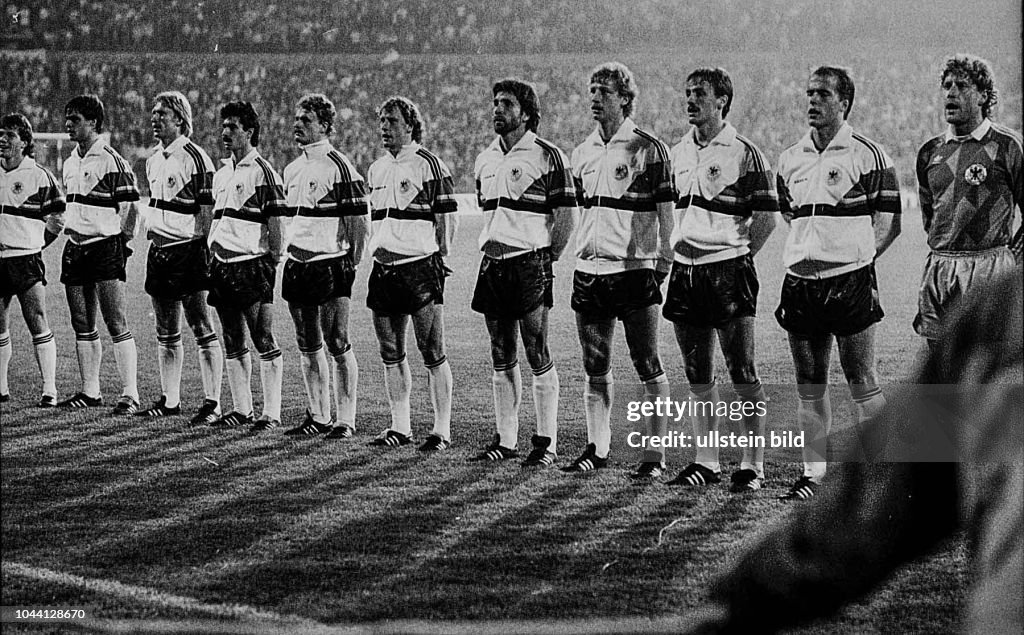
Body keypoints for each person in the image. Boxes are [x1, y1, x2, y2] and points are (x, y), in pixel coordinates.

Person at [698, 266, 1023, 635]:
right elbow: (878, 489)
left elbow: (871, 497)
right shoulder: (998, 315)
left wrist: (738, 603)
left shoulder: (1002, 317)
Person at [773, 66, 901, 500]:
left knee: (861, 378)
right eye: (809, 93)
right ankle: (814, 474)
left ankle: (883, 473)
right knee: (809, 380)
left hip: (850, 281)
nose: (813, 101)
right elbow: (788, 214)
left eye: (822, 94)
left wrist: (859, 261)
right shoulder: (790, 157)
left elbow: (891, 222)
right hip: (800, 282)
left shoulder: (869, 154)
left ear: (844, 102)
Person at [662, 67, 778, 492]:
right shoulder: (676, 152)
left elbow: (767, 217)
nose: (691, 100)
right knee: (697, 371)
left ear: (722, 101)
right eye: (687, 93)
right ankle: (705, 461)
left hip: (728, 271)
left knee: (741, 368)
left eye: (700, 94)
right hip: (685, 271)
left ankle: (753, 465)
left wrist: (736, 254)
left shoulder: (745, 152)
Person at [562, 62, 674, 478]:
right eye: (591, 90)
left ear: (625, 98)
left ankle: (654, 455)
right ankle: (598, 447)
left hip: (634, 271)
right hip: (589, 271)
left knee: (647, 362)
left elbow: (667, 217)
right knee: (595, 363)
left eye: (603, 91)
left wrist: (660, 265)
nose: (595, 98)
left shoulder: (648, 148)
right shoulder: (582, 152)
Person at [470, 78, 578, 466]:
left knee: (536, 348)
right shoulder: (485, 158)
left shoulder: (548, 155)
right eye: (495, 102)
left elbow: (566, 217)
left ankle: (545, 443)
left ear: (526, 113)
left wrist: (548, 259)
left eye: (506, 104)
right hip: (493, 264)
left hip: (529, 263)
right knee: (501, 352)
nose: (497, 109)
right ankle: (507, 439)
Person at [365, 96, 458, 451]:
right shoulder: (376, 168)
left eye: (390, 121)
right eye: (381, 121)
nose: (383, 127)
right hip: (384, 269)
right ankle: (400, 427)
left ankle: (441, 430)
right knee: (390, 349)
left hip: (420, 268)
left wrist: (442, 256)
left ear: (410, 125)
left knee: (432, 348)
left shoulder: (429, 165)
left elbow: (447, 218)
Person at [914, 54, 1022, 344]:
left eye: (962, 86)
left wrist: (1011, 262)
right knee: (941, 360)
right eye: (947, 85)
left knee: (982, 363)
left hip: (989, 265)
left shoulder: (1007, 146)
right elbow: (930, 216)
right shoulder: (930, 152)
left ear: (983, 96)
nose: (951, 92)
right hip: (940, 266)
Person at [280, 93, 369, 437]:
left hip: (331, 265)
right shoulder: (292, 168)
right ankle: (318, 416)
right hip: (297, 263)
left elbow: (359, 225)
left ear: (326, 126)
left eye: (306, 120)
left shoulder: (340, 166)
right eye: (297, 118)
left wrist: (350, 266)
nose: (297, 124)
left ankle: (345, 419)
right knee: (306, 340)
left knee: (337, 339)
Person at [137, 91, 224, 425]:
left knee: (201, 324)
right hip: (158, 252)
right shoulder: (153, 159)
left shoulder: (196, 158)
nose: (155, 119)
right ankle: (169, 400)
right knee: (165, 329)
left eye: (163, 114)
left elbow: (206, 215)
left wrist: (200, 251)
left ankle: (212, 403)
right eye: (154, 113)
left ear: (180, 119)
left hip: (187, 251)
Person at [58, 95, 141, 415]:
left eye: (75, 119)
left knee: (115, 320)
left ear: (93, 122)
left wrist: (123, 241)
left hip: (105, 247)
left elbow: (131, 206)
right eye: (67, 118)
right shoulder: (69, 162)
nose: (68, 124)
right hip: (75, 248)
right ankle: (90, 391)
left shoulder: (110, 159)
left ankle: (130, 394)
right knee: (82, 322)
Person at [206, 101, 287, 433]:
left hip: (252, 265)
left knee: (262, 336)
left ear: (250, 132)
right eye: (224, 126)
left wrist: (272, 262)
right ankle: (241, 408)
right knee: (231, 337)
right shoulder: (222, 173)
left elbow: (277, 224)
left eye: (233, 127)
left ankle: (271, 412)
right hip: (223, 265)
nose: (225, 132)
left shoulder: (263, 172)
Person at [0, 113, 65, 408]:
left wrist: (37, 244)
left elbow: (58, 217)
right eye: (1, 134)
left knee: (37, 320)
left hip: (25, 258)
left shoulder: (39, 175)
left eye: (10, 135)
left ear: (25, 142)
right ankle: (1, 387)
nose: (2, 139)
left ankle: (49, 389)